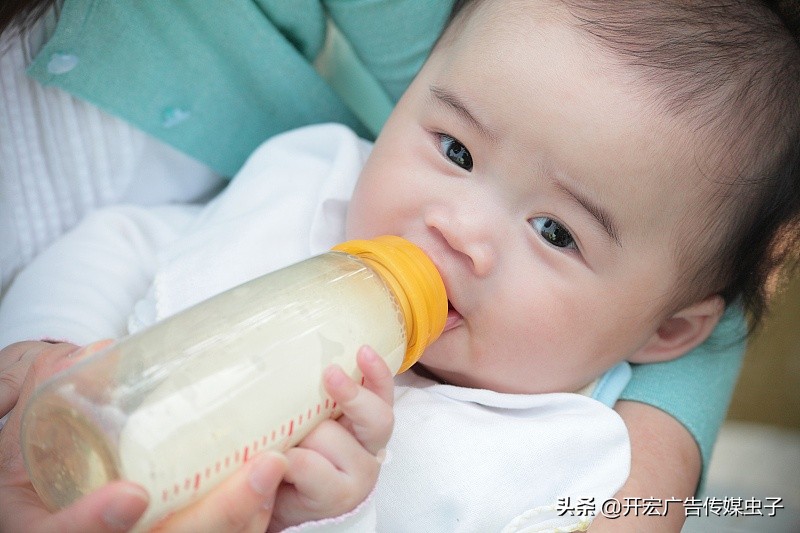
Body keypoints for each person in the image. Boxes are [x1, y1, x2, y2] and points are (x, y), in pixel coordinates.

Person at [1, 0, 797, 530]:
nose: (460, 229)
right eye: (456, 150)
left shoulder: (568, 463)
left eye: (556, 231)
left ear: (666, 331)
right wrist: (51, 340)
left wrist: (342, 511)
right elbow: (127, 242)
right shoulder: (312, 185)